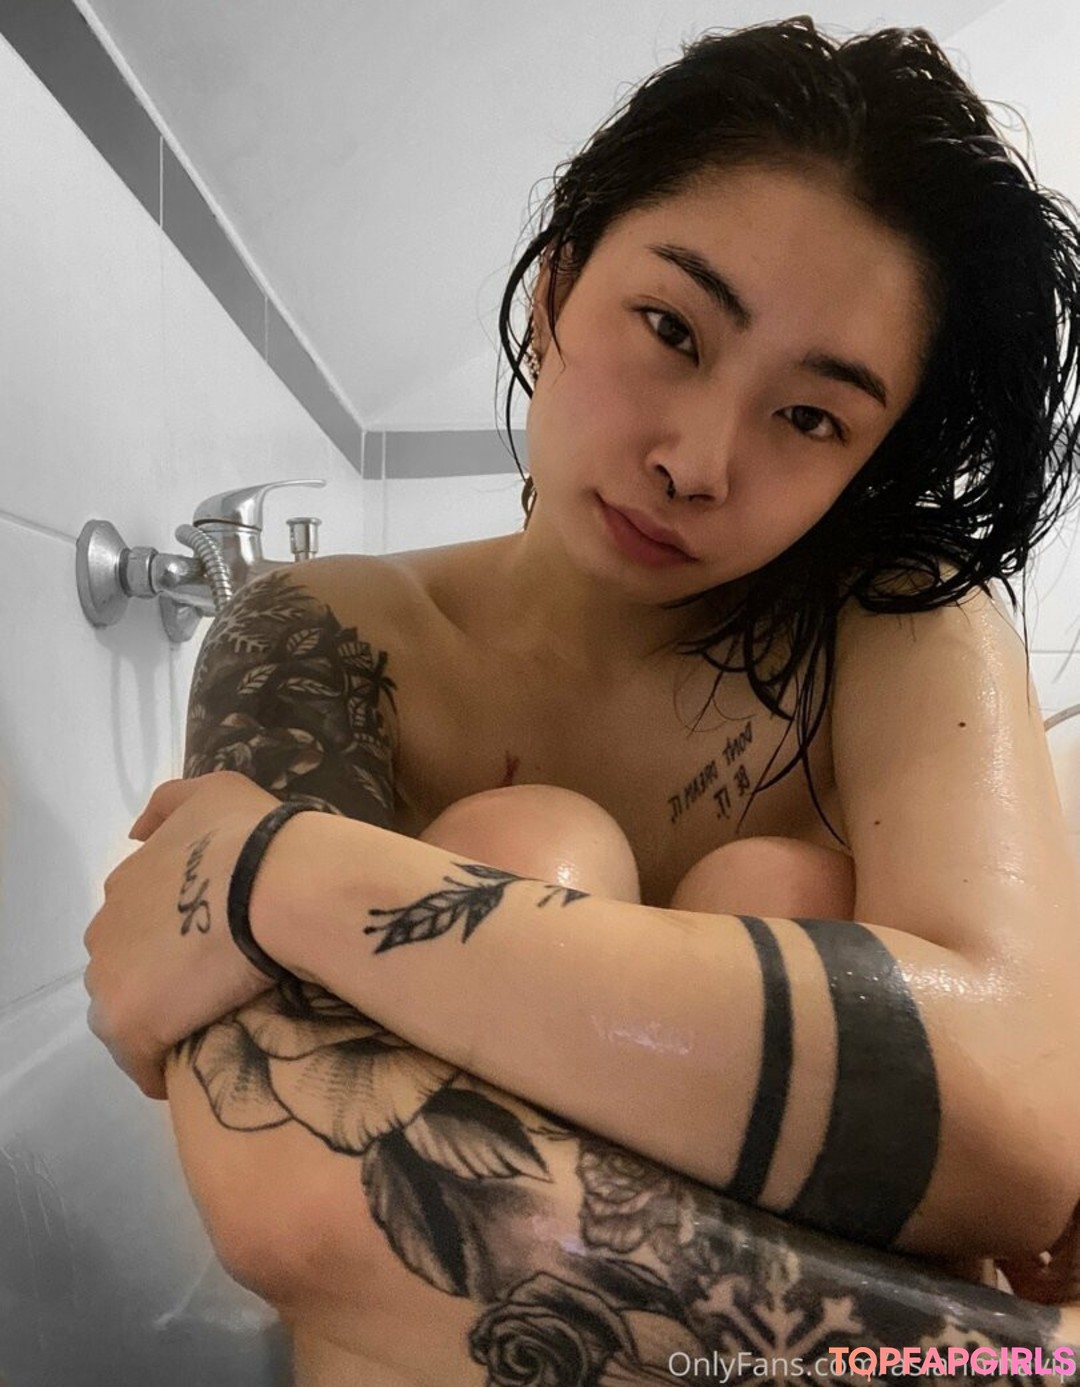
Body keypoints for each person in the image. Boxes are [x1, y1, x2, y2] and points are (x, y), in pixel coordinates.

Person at [84, 16, 1080, 1385]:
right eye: (672, 329)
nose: (699, 460)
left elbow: (1021, 1122)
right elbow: (291, 1197)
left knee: (773, 890)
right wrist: (1016, 1366)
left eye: (813, 418)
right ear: (557, 286)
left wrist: (286, 878)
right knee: (533, 843)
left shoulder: (897, 625)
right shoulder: (324, 634)